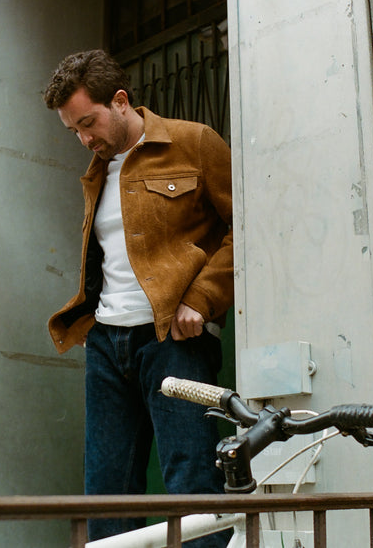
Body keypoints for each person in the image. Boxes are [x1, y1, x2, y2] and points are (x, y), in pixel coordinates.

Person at [43, 49, 233, 546]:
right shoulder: (97, 171)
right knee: (106, 493)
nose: (84, 139)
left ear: (121, 101)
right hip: (107, 343)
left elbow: (247, 226)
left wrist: (203, 297)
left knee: (191, 483)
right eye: (74, 131)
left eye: (88, 122)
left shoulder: (194, 143)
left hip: (173, 339)